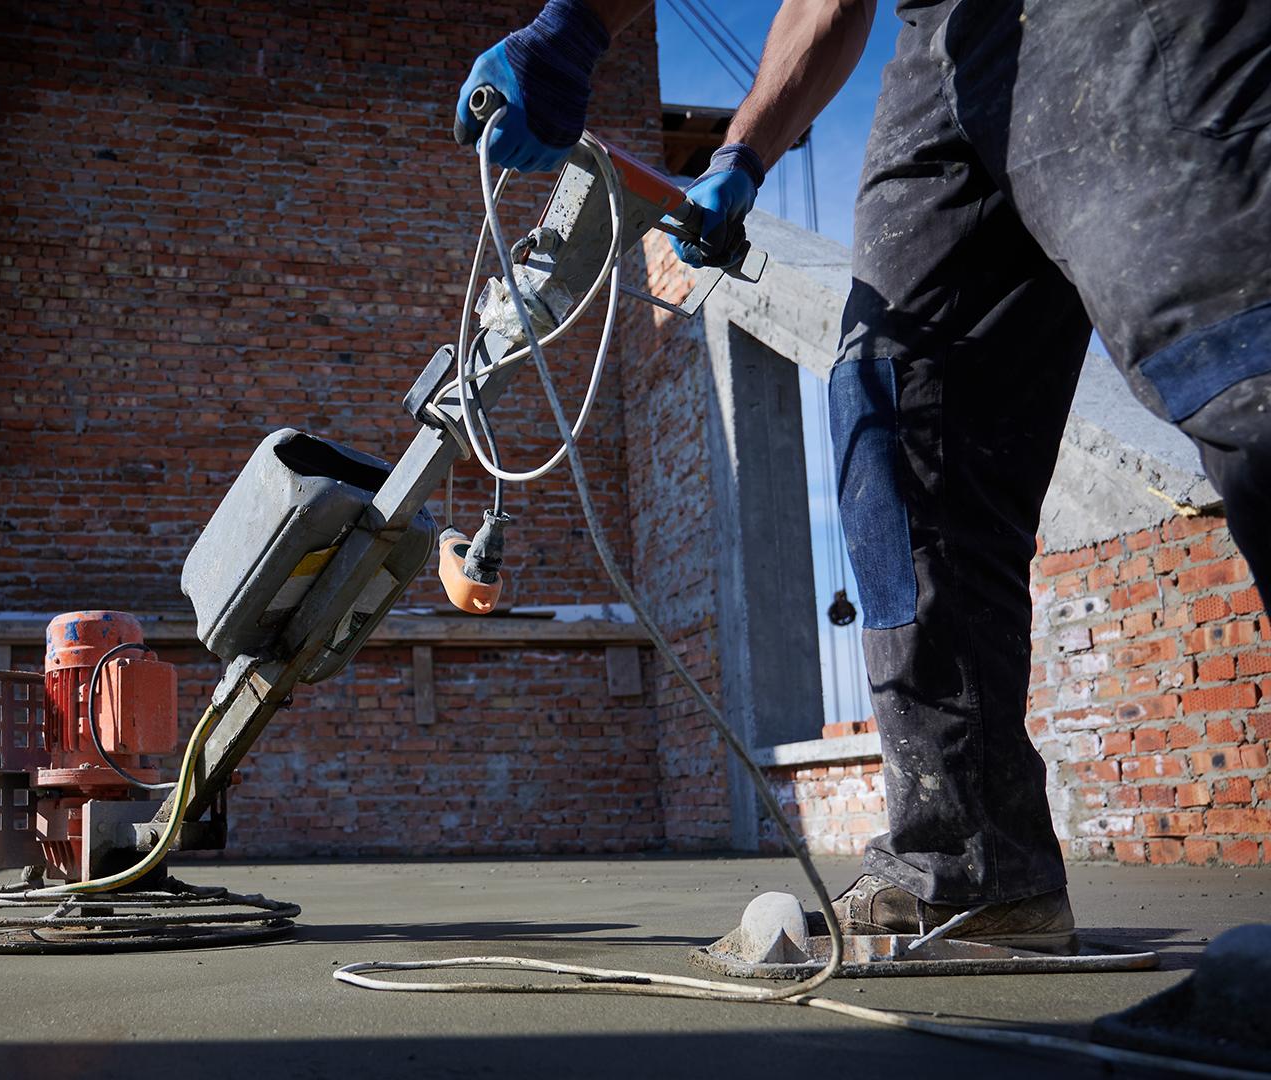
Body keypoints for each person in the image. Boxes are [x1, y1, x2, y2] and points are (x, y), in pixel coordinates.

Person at [458, 0, 1271, 951]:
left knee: (1236, 354)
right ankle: (971, 868)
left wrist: (573, 25)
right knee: (893, 419)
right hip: (944, 47)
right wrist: (741, 156)